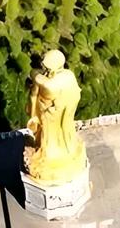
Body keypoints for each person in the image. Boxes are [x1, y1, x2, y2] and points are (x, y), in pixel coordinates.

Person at [24, 49, 87, 184]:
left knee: (49, 139)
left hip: (49, 116)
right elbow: (76, 94)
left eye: (46, 67)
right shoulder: (69, 76)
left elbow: (34, 92)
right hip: (60, 114)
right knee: (62, 136)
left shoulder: (44, 82)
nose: (44, 69)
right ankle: (63, 153)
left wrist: (33, 114)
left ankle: (50, 158)